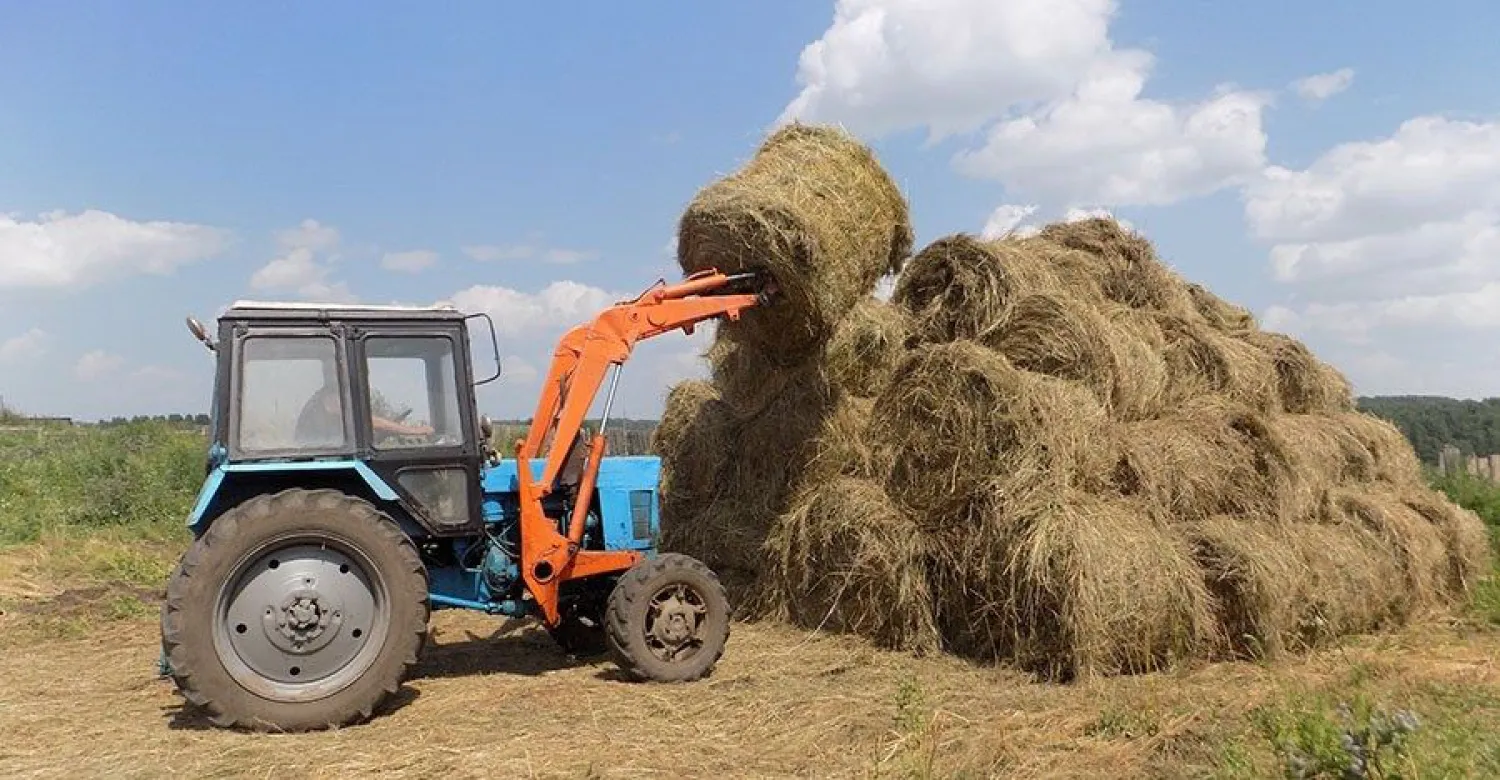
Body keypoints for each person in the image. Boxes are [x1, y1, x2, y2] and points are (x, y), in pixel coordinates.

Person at [295, 380, 433, 445]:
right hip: (320, 450)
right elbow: (367, 420)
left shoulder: (322, 398)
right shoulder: (329, 396)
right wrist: (415, 431)